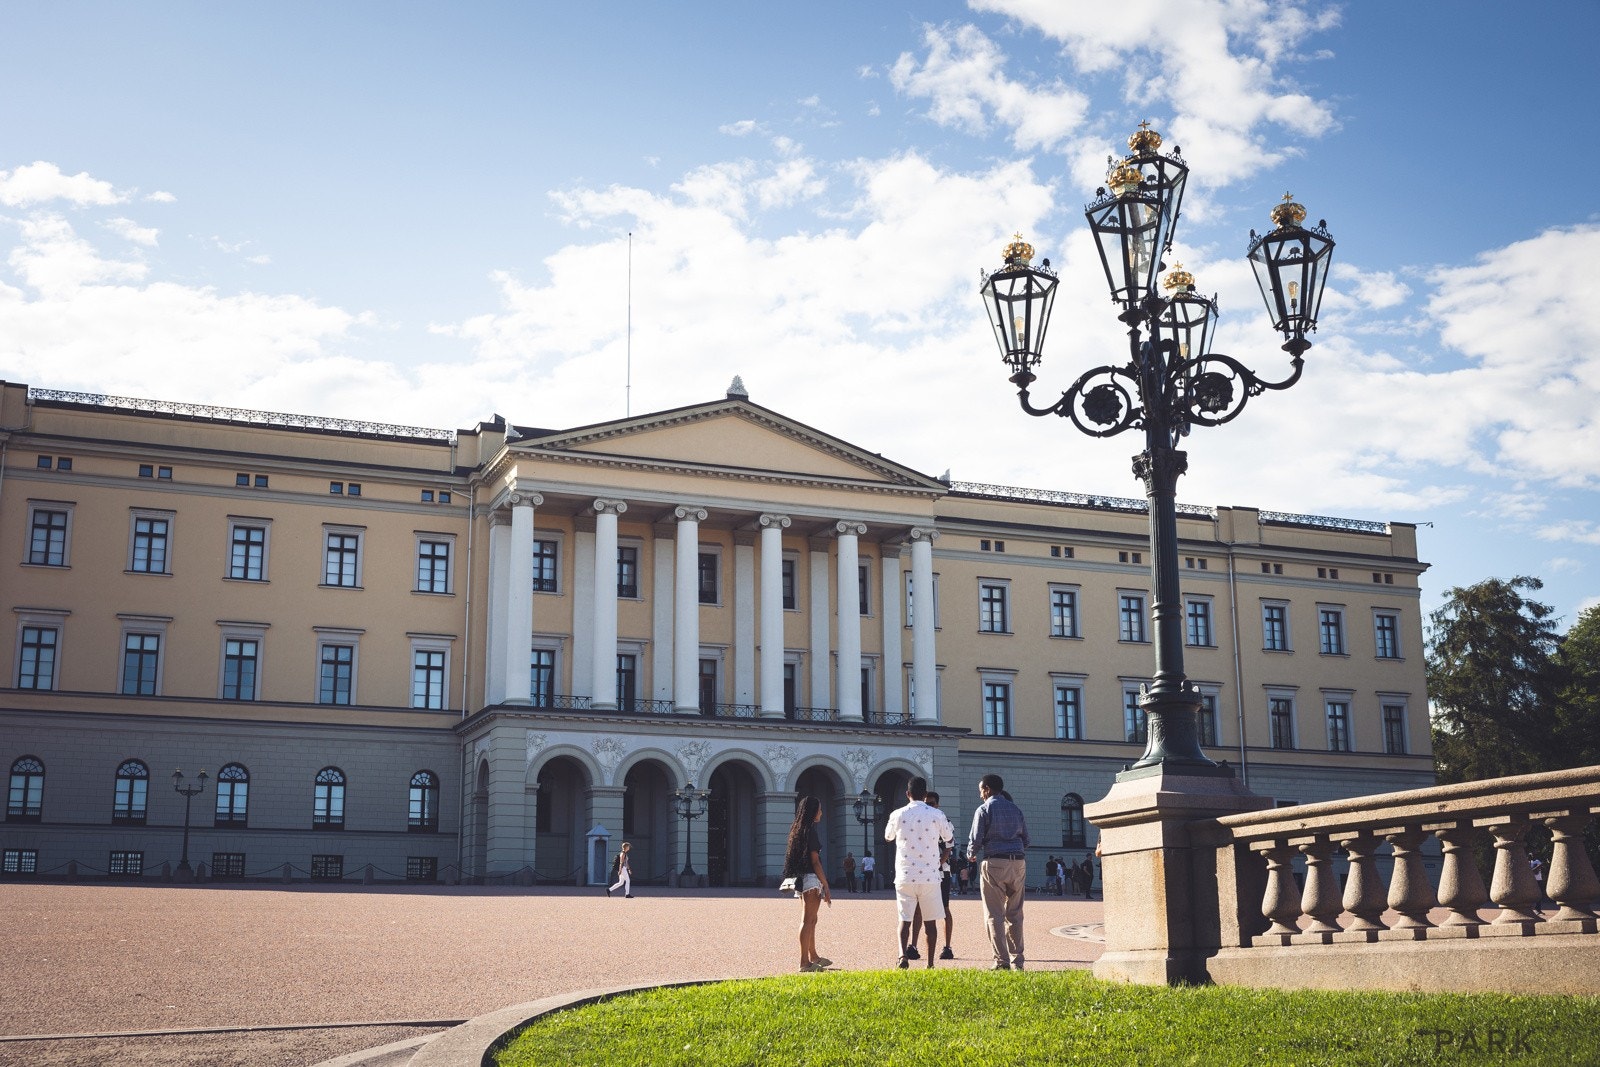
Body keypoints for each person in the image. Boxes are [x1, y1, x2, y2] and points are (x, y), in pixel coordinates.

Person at [884, 776, 954, 969]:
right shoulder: (936, 814)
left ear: (907, 794)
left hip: (905, 874)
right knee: (930, 923)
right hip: (930, 876)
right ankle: (930, 964)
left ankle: (902, 955)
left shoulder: (897, 814)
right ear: (925, 795)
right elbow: (948, 837)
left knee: (904, 920)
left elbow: (888, 837)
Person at [968, 772, 1029, 970]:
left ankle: (1001, 961)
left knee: (994, 914)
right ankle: (1017, 961)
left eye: (981, 791)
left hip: (994, 862)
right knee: (1015, 914)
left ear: (987, 789)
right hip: (1018, 863)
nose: (980, 795)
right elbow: (1026, 839)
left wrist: (971, 854)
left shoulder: (984, 809)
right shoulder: (1016, 809)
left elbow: (976, 839)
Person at [782, 795, 832, 972]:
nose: (821, 812)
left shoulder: (798, 829)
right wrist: (825, 883)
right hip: (811, 878)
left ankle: (814, 956)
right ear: (813, 811)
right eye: (819, 809)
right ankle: (804, 962)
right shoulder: (810, 831)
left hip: (803, 878)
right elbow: (815, 861)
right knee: (808, 920)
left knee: (812, 919)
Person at [927, 790, 957, 959]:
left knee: (945, 908)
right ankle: (914, 946)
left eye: (931, 803)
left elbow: (948, 847)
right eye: (926, 804)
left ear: (937, 805)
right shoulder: (922, 821)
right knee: (919, 910)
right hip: (925, 872)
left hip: (942, 871)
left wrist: (937, 865)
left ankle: (947, 946)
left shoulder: (945, 822)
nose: (928, 806)